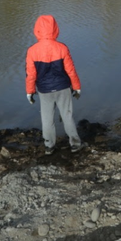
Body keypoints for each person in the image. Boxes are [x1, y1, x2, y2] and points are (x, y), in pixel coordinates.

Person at [25, 15, 84, 155]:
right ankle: (75, 144)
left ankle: (49, 146)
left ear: (37, 30)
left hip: (44, 90)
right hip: (63, 87)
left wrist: (29, 91)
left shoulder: (32, 50)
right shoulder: (62, 48)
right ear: (55, 29)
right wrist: (77, 87)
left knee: (47, 119)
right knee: (67, 116)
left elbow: (31, 75)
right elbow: (71, 70)